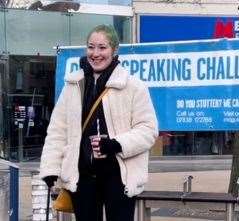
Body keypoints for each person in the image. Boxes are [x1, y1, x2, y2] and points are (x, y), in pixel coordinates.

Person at [39, 25, 158, 221]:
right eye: (91, 47)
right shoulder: (73, 85)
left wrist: (116, 144)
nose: (95, 53)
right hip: (82, 177)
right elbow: (57, 131)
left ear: (114, 50)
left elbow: (148, 130)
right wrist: (50, 168)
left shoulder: (134, 86)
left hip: (119, 177)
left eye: (102, 47)